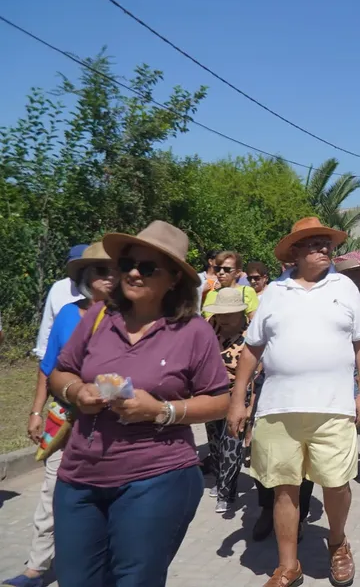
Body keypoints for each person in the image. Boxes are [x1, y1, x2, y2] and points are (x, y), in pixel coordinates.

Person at [47, 221, 231, 587]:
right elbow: (60, 372)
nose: (133, 273)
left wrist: (161, 411)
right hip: (80, 479)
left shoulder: (193, 331)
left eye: (147, 267)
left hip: (156, 478)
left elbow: (220, 401)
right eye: (128, 264)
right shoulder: (99, 316)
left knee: (134, 580)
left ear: (174, 279)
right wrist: (77, 392)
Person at [226, 216, 360, 587]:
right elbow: (252, 349)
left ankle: (337, 542)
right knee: (284, 487)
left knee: (336, 484)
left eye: (326, 242)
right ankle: (288, 565)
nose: (324, 248)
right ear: (294, 253)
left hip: (333, 407)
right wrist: (238, 399)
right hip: (279, 408)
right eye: (313, 243)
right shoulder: (275, 292)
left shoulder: (345, 287)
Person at [5, 243, 117, 587]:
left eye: (115, 270)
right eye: (101, 271)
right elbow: (48, 366)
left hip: (112, 421)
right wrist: (35, 411)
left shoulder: (126, 319)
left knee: (108, 493)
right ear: (86, 277)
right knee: (53, 489)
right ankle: (36, 568)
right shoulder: (68, 314)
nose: (110, 278)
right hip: (66, 419)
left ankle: (98, 563)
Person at [202, 288, 253, 514]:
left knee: (232, 442)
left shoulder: (252, 334)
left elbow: (257, 370)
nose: (222, 318)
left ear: (240, 313)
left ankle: (226, 492)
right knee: (215, 442)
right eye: (220, 313)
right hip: (211, 392)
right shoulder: (211, 325)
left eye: (228, 314)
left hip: (238, 394)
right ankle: (218, 477)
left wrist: (249, 405)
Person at [32, 244, 87, 360]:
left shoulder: (100, 290)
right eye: (77, 267)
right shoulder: (59, 288)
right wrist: (42, 354)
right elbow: (48, 324)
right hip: (61, 357)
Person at [202, 251, 258, 319]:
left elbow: (254, 320)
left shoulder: (247, 291)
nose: (221, 272)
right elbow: (209, 321)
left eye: (226, 269)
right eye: (218, 269)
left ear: (237, 272)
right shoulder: (211, 294)